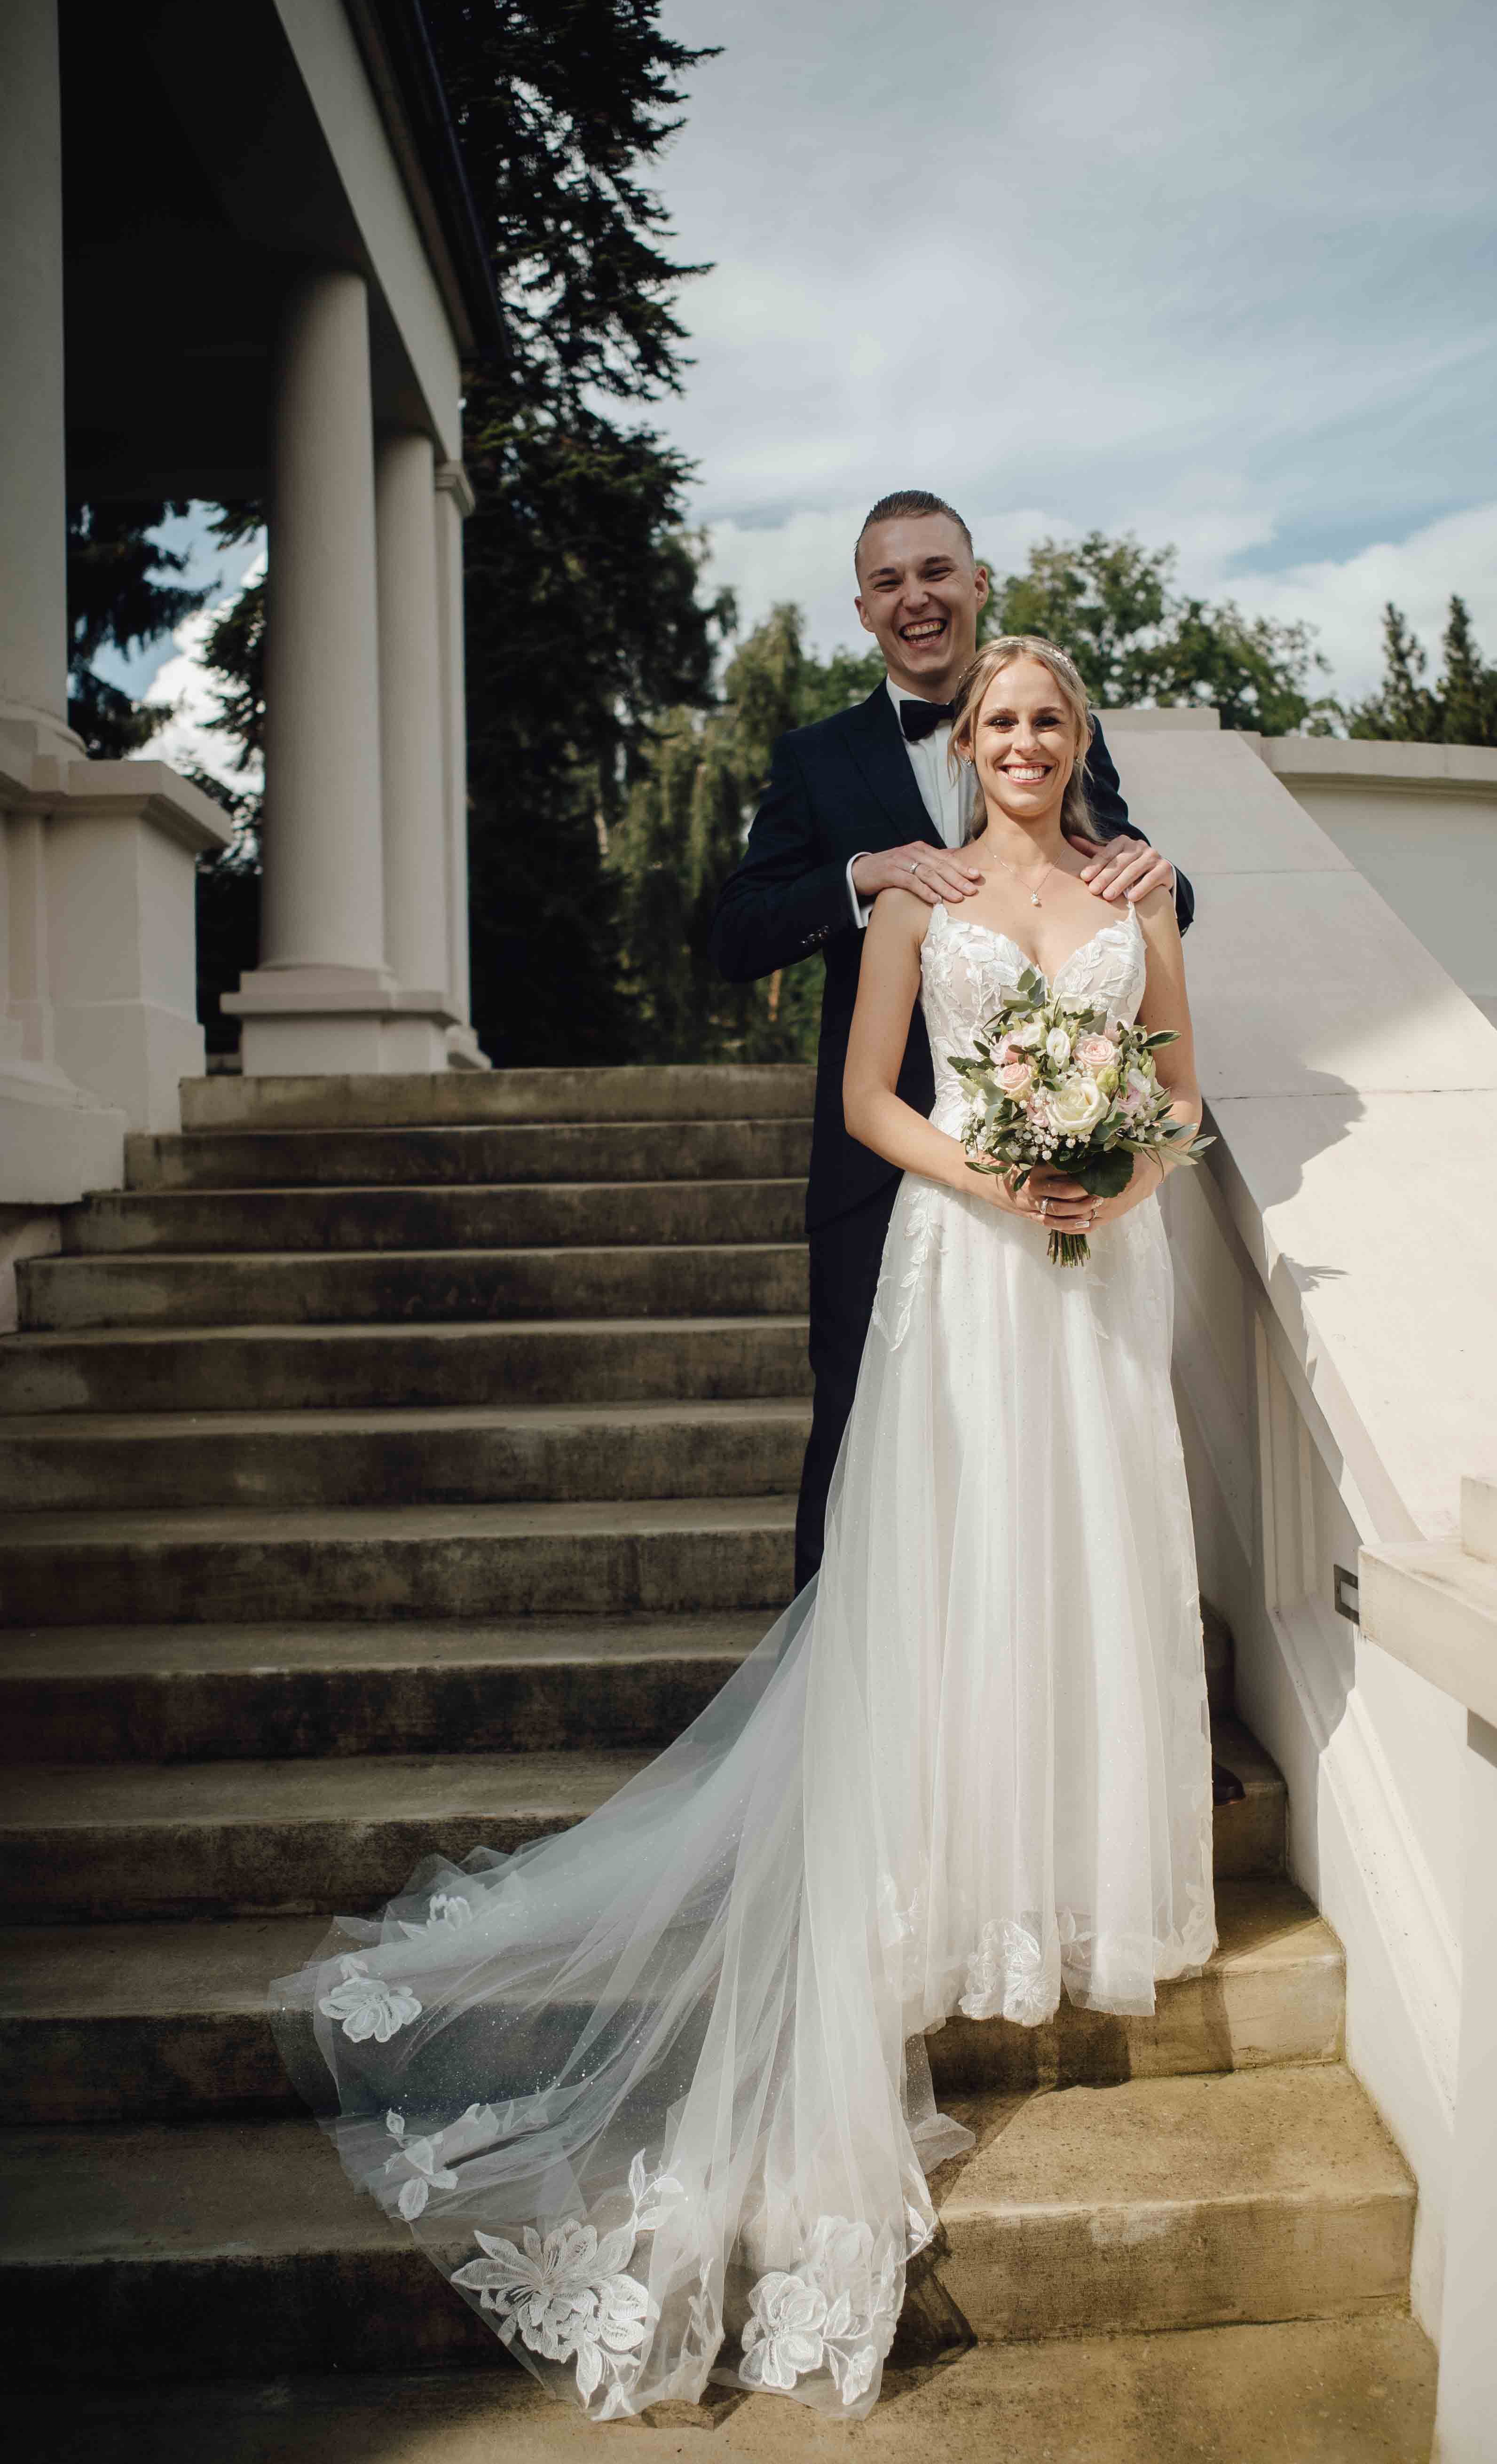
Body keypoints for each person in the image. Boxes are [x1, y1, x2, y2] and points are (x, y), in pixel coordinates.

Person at [270, 631, 1216, 2425]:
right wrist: (998, 1173)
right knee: (953, 1580)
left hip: (1097, 1282)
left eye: (1044, 720)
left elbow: (1175, 1087)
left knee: (1085, 1568)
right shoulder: (911, 902)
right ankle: (932, 1884)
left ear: (1075, 740)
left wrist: (1113, 1168)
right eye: (997, 722)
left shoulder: (1132, 893)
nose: (1017, 742)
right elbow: (870, 1102)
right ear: (969, 748)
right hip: (963, 1259)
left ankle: (1060, 1881)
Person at [708, 490, 1192, 1590]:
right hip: (888, 1174)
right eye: (890, 580)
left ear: (978, 584)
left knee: (1075, 1448)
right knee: (859, 1440)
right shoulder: (818, 758)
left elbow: (1123, 876)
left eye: (937, 571)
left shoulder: (1058, 732)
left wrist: (1159, 876)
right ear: (868, 610)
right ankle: (855, 1728)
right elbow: (734, 934)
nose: (916, 597)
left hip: (1072, 1162)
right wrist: (859, 876)